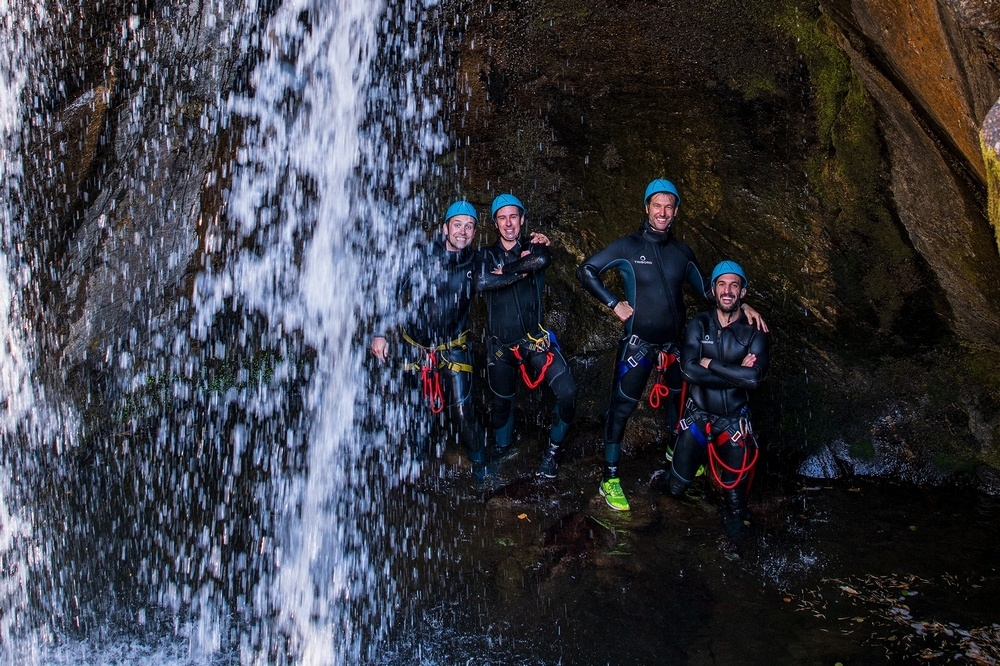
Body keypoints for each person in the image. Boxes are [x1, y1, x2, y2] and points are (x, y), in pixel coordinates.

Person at [577, 179, 766, 511]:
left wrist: (743, 306)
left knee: (681, 404)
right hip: (638, 345)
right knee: (622, 408)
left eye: (669, 207)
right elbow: (587, 270)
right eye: (657, 205)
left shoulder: (682, 253)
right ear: (646, 208)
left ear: (676, 211)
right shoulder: (627, 247)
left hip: (675, 346)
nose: (662, 212)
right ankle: (610, 477)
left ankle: (675, 454)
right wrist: (613, 303)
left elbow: (711, 291)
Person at [370, 200, 487, 479]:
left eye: (469, 226)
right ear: (445, 228)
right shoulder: (421, 256)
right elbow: (392, 289)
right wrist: (379, 332)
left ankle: (481, 464)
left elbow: (509, 262)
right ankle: (418, 460)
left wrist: (536, 245)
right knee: (415, 406)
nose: (463, 231)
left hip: (453, 347)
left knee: (461, 409)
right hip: (416, 345)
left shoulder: (478, 260)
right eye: (457, 225)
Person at [658, 261, 769, 537]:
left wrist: (711, 363)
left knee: (734, 504)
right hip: (698, 419)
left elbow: (754, 379)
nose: (728, 291)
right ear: (713, 289)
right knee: (675, 487)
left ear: (743, 292)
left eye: (734, 285)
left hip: (733, 424)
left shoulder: (755, 330)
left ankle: (736, 558)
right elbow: (688, 371)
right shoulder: (700, 323)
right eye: (722, 284)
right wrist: (736, 373)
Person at [475, 193, 577, 479]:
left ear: (522, 219)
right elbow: (482, 281)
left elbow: (543, 258)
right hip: (500, 347)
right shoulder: (484, 255)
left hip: (534, 341)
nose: (508, 224)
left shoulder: (535, 245)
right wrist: (522, 271)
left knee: (568, 391)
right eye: (502, 218)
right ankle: (503, 450)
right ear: (495, 223)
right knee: (501, 403)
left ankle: (553, 453)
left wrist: (508, 271)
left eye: (513, 217)